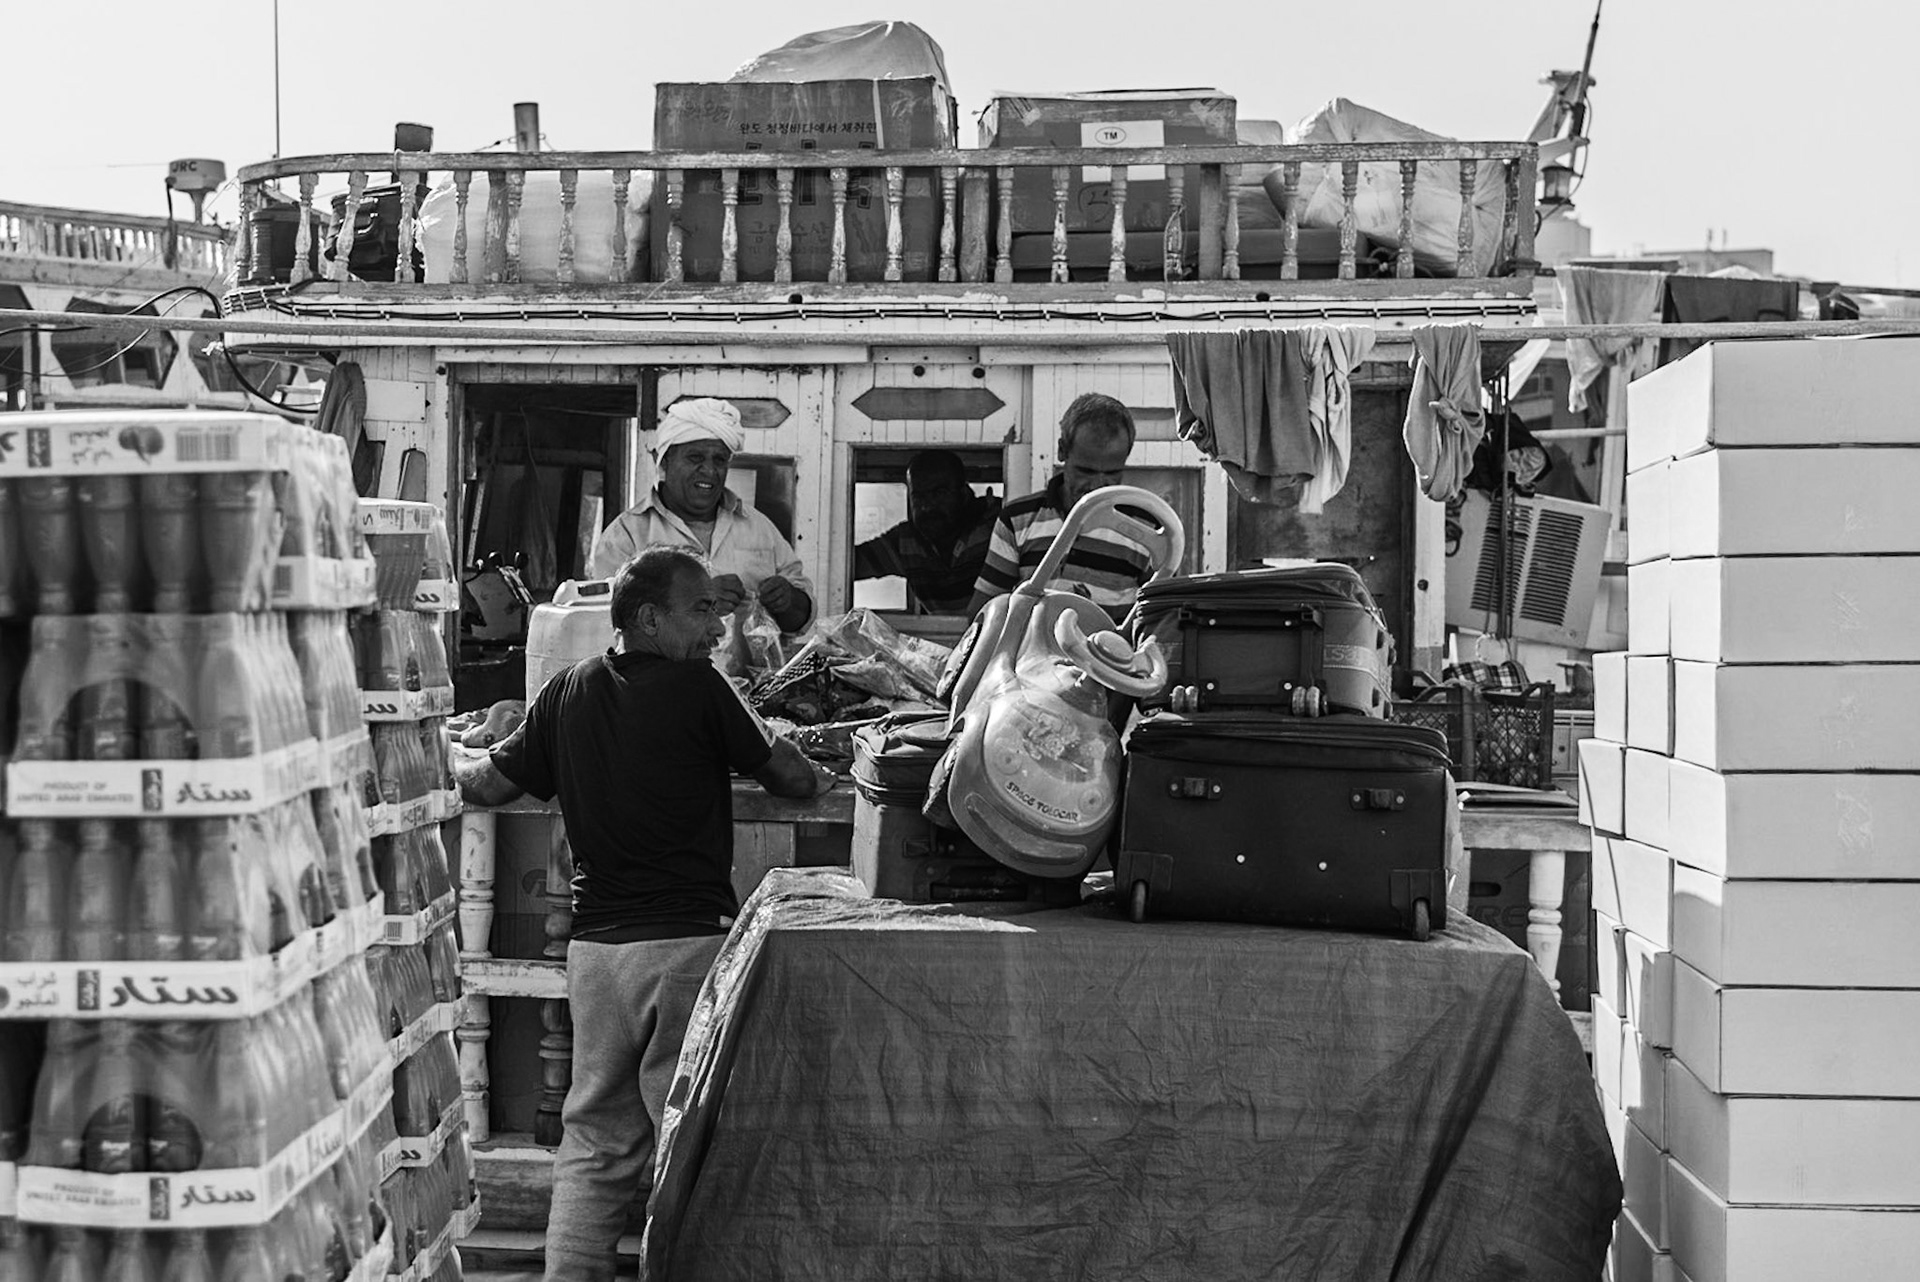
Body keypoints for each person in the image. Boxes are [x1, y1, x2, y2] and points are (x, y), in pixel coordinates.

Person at [451, 546, 836, 1282]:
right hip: (685, 952)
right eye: (702, 611)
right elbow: (787, 778)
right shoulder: (699, 690)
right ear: (649, 618)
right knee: (689, 1140)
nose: (717, 631)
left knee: (594, 1144)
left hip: (597, 957)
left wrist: (434, 760)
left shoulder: (565, 692)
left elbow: (490, 784)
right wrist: (808, 760)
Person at [588, 397, 815, 634]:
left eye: (719, 460)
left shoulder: (759, 527)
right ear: (663, 462)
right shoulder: (626, 536)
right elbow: (608, 624)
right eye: (695, 458)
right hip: (661, 672)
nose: (709, 470)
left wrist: (789, 600)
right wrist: (696, 601)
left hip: (750, 671)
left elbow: (801, 618)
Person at [966, 392, 1155, 619]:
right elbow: (983, 614)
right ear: (1062, 450)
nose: (1097, 486)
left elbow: (1163, 620)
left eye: (1112, 473)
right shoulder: (1017, 520)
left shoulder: (1147, 531)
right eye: (1086, 471)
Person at [852, 449, 1002, 614]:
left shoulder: (996, 527)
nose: (927, 506)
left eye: (939, 493)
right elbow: (848, 565)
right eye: (918, 497)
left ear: (964, 494)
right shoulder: (907, 541)